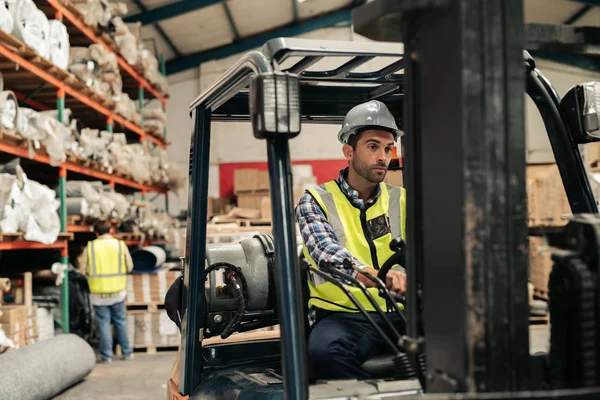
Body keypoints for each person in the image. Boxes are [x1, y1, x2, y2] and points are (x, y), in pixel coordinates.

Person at [295, 100, 407, 380]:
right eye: (372, 146)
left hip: (401, 313)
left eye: (388, 148)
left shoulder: (402, 199)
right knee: (325, 352)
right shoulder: (316, 200)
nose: (383, 156)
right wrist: (381, 277)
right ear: (348, 151)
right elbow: (326, 254)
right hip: (343, 316)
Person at [78, 220, 134, 363]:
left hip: (98, 294)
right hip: (118, 292)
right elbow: (130, 266)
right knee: (120, 322)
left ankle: (107, 356)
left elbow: (82, 270)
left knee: (103, 324)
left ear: (96, 233)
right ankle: (127, 352)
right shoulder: (120, 245)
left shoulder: (90, 248)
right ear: (111, 231)